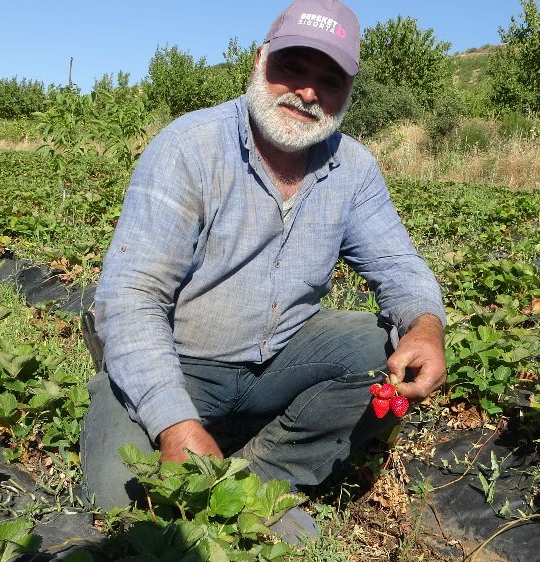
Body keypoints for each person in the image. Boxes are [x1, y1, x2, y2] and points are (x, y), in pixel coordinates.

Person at [81, 0, 446, 543]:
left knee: (384, 355)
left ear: (348, 92)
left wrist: (425, 327)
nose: (307, 92)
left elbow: (398, 264)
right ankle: (182, 431)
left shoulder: (354, 168)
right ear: (259, 61)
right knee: (119, 501)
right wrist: (175, 424)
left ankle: (256, 476)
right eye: (293, 67)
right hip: (179, 360)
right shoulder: (190, 149)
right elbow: (131, 297)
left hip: (278, 359)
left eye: (330, 79)